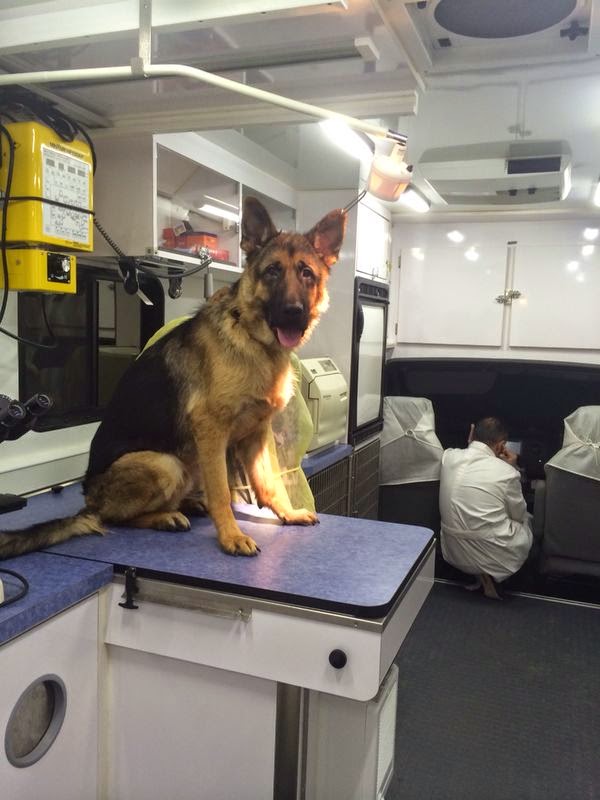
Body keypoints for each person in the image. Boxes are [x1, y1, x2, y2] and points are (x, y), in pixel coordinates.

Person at [439, 417, 533, 599]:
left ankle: (479, 575)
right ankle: (504, 578)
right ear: (501, 446)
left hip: (452, 552)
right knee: (527, 520)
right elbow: (518, 515)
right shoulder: (507, 472)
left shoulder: (448, 457)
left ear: (472, 435)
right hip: (493, 553)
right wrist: (513, 468)